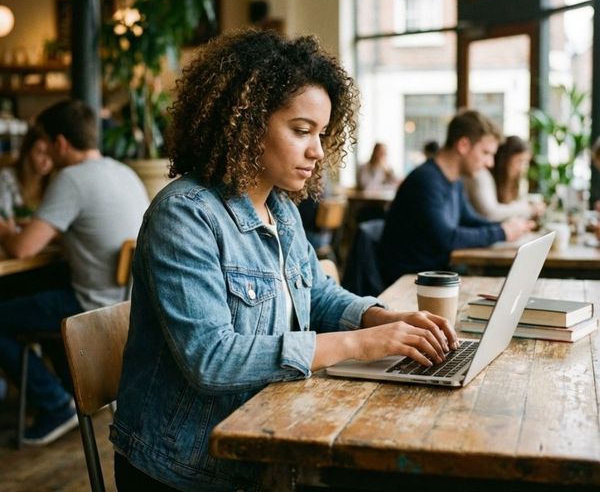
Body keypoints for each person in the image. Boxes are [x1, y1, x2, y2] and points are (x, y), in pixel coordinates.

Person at [110, 29, 459, 492]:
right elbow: (211, 358)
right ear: (246, 122)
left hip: (264, 438)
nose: (317, 151)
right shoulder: (186, 214)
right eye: (301, 131)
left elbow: (314, 293)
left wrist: (381, 317)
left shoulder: (281, 209)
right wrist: (362, 344)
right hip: (186, 466)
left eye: (321, 134)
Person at [0, 99, 148, 445]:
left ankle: (55, 406)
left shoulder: (71, 178)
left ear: (61, 143)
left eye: (49, 145)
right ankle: (71, 390)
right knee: (35, 291)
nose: (48, 156)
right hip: (124, 304)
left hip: (89, 306)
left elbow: (23, 249)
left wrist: (6, 230)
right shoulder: (122, 170)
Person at [380, 110, 534, 286]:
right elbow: (447, 239)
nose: (490, 163)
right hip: (412, 284)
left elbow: (469, 220)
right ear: (463, 145)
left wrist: (508, 228)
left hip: (440, 276)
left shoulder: (455, 180)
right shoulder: (426, 180)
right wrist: (501, 232)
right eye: (486, 153)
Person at [463, 135, 544, 222]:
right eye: (519, 161)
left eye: (526, 162)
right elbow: (491, 213)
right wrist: (528, 209)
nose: (523, 168)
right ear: (504, 159)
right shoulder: (481, 174)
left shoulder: (512, 181)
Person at [0, 125, 53, 221]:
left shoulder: (57, 179)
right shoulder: (7, 177)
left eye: (51, 153)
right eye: (40, 152)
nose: (46, 161)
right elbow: (4, 218)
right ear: (27, 152)